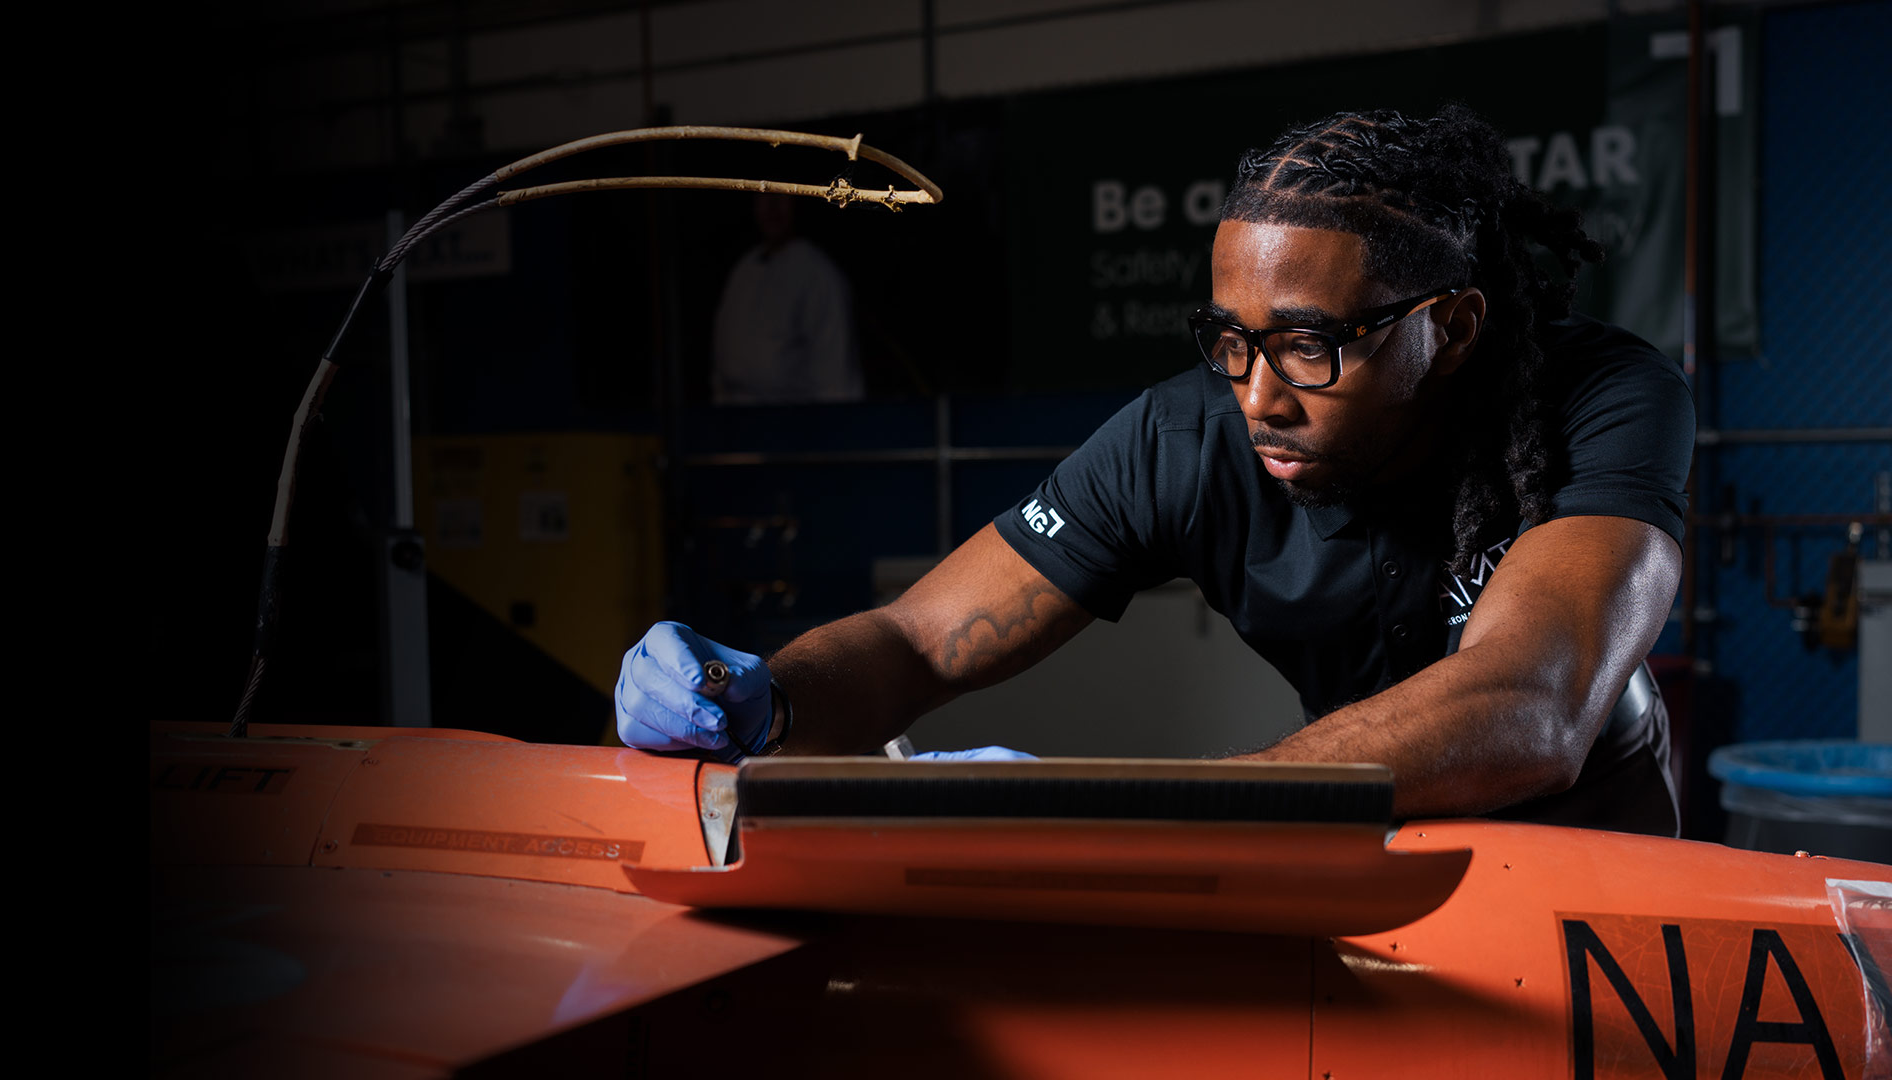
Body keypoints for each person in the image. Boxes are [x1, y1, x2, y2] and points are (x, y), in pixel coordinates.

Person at [618, 106, 1693, 837]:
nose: (1259, 395)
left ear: (1450, 329)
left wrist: (1140, 804)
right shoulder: (1185, 437)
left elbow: (1535, 703)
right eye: (1228, 337)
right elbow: (915, 641)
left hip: (1596, 855)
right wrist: (766, 700)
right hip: (1375, 838)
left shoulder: (1597, 397)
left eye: (1311, 343)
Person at [710, 193, 863, 405]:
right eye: (764, 198)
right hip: (736, 417)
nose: (772, 209)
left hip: (795, 418)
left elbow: (836, 373)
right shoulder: (745, 268)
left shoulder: (816, 272)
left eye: (781, 199)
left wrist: (836, 426)